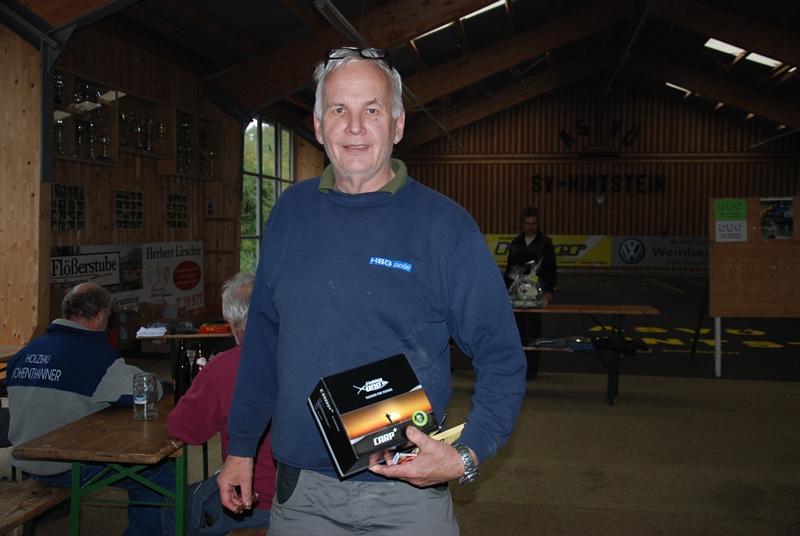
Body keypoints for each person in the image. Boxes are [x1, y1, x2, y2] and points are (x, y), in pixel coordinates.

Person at [216, 46, 527, 535]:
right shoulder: (290, 214)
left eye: (373, 110)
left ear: (398, 125)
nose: (355, 127)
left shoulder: (445, 227)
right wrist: (240, 447)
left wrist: (467, 453)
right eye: (339, 110)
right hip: (303, 495)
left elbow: (503, 355)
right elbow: (262, 345)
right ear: (318, 125)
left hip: (409, 495)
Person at [6, 282, 173, 536]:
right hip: (63, 466)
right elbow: (147, 390)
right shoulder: (93, 354)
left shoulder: (25, 352)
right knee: (158, 472)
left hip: (26, 460)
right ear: (100, 315)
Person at [163, 272, 276, 535]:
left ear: (230, 323)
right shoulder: (301, 356)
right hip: (309, 497)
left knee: (171, 506)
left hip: (253, 503)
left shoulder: (223, 367)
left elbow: (183, 429)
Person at [504, 206, 558, 378]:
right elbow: (509, 269)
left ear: (538, 223)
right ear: (522, 224)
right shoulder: (516, 242)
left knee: (533, 332)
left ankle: (532, 369)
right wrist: (506, 290)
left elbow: (551, 269)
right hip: (516, 295)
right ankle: (516, 368)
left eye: (533, 223)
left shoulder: (545, 243)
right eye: (527, 223)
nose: (530, 226)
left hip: (536, 295)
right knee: (516, 332)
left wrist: (549, 290)